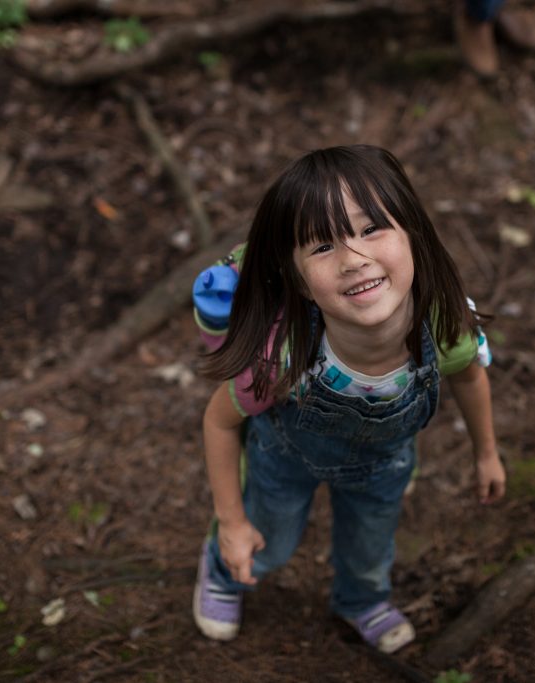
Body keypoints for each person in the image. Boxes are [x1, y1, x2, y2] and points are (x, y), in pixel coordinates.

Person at [191, 145, 507, 654]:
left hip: (384, 467)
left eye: (371, 229)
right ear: (299, 282)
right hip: (284, 461)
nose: (353, 260)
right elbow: (220, 422)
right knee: (267, 540)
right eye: (321, 248)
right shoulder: (285, 357)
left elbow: (470, 378)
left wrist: (486, 451)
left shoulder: (444, 327)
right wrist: (230, 522)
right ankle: (223, 572)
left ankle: (361, 601)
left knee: (370, 546)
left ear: (414, 236)